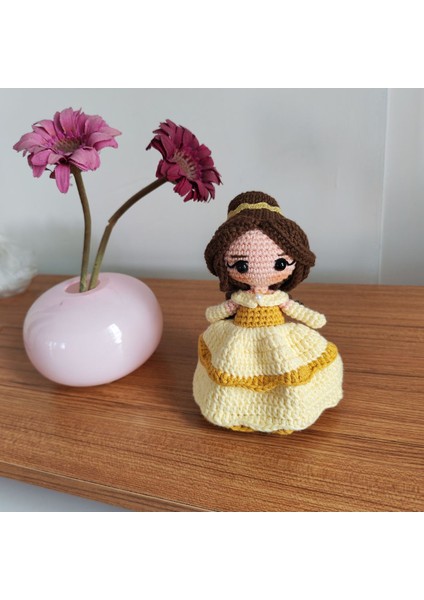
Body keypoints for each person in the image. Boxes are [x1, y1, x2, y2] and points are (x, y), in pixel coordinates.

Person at [193, 191, 343, 434]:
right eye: (241, 265)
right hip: (239, 338)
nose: (260, 273)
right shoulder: (239, 299)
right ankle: (234, 411)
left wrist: (313, 319)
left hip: (277, 337)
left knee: (287, 371)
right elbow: (216, 314)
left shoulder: (279, 299)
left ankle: (288, 413)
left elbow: (300, 312)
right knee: (232, 372)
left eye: (280, 264)